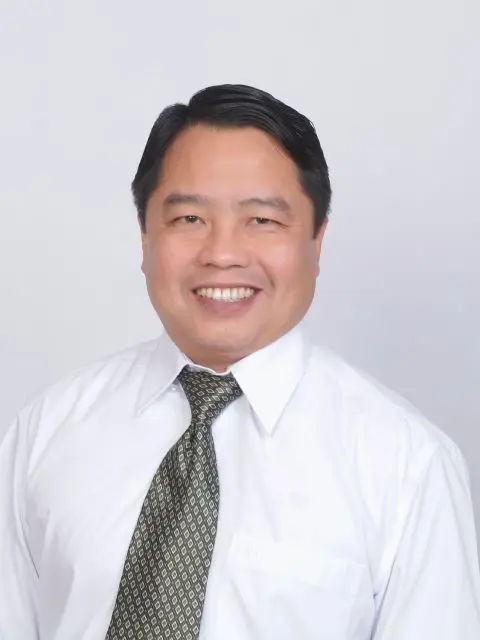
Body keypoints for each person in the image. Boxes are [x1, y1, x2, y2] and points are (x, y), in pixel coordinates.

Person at [1, 84, 479, 640]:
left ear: (317, 240)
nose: (222, 254)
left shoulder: (406, 466)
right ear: (144, 235)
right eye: (188, 219)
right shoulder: (48, 431)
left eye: (262, 221)